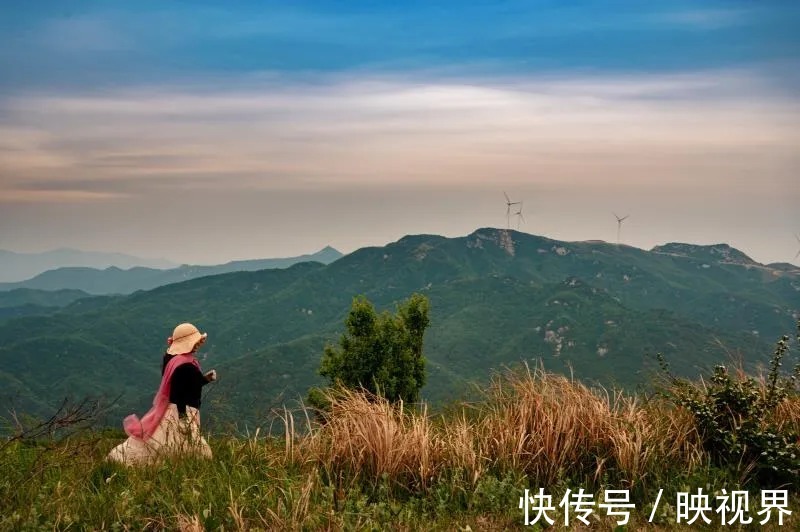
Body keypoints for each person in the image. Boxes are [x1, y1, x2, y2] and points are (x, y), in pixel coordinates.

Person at [107, 322, 217, 465]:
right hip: (182, 412)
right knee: (192, 450)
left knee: (165, 445)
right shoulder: (186, 365)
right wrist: (183, 419)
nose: (197, 345)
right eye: (194, 342)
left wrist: (204, 379)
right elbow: (178, 394)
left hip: (173, 411)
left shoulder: (173, 359)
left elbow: (186, 386)